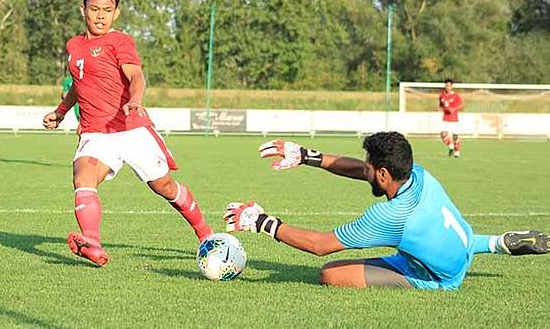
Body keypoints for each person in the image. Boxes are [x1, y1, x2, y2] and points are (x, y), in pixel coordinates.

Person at [224, 132, 548, 290]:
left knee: (330, 274)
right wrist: (308, 156)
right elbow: (363, 171)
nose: (362, 170)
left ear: (382, 173)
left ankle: (432, 271)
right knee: (439, 240)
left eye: (368, 167)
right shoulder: (419, 174)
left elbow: (320, 246)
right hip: (461, 243)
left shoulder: (389, 218)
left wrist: (263, 222)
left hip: (441, 276)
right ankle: (496, 243)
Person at [42, 0, 213, 267]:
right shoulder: (73, 45)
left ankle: (205, 233)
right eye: (95, 9)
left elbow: (136, 76)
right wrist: (60, 111)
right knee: (82, 176)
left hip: (131, 129)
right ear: (82, 9)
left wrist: (136, 99)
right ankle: (92, 243)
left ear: (116, 13)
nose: (100, 15)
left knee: (165, 187)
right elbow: (79, 84)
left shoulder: (120, 41)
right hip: (96, 132)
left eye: (107, 10)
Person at [439, 79, 463, 157]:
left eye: (449, 85)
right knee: (443, 134)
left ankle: (457, 151)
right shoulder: (442, 95)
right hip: (445, 118)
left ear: (451, 86)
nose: (447, 87)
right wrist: (440, 109)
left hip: (454, 118)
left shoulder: (455, 95)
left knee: (455, 135)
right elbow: (441, 105)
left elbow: (461, 105)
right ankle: (451, 145)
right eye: (446, 85)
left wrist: (454, 109)